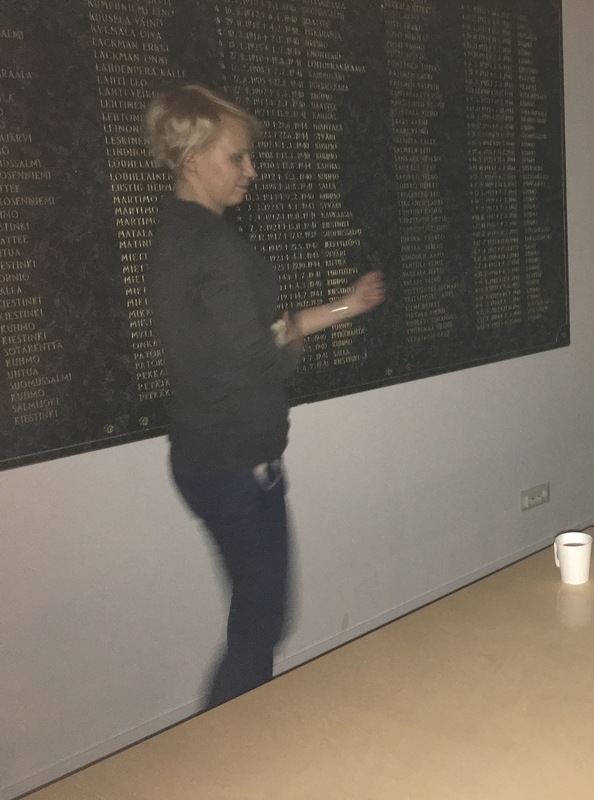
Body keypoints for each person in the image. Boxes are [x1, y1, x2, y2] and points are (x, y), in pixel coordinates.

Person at [142, 85, 386, 708]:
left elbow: (263, 333)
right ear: (192, 158)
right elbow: (264, 354)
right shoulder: (212, 247)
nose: (251, 169)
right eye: (237, 157)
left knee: (262, 619)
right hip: (234, 463)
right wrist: (284, 347)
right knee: (259, 627)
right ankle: (225, 746)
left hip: (211, 457)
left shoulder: (176, 234)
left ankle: (237, 733)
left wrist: (345, 307)